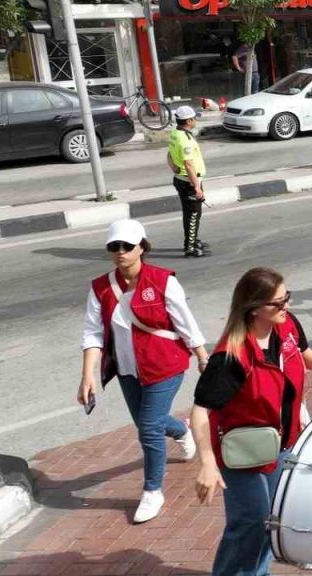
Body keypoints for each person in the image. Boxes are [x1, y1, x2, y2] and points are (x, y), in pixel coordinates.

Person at [191, 267, 312, 575]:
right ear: (254, 308)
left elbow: (303, 355)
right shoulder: (231, 357)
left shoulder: (286, 325)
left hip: (283, 443)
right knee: (251, 520)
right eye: (277, 302)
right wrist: (207, 462)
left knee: (272, 519)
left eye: (287, 297)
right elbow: (200, 412)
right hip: (240, 451)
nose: (286, 306)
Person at [79, 219, 206, 524]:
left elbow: (185, 322)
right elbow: (93, 334)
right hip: (126, 369)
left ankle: (152, 491)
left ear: (142, 248)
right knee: (148, 423)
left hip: (165, 364)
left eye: (127, 246)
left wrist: (202, 356)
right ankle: (182, 430)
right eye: (114, 247)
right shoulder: (100, 287)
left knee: (148, 428)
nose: (120, 252)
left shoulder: (163, 281)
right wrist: (88, 376)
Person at [167, 105, 208, 257]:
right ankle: (190, 247)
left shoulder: (175, 133)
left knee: (191, 213)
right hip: (189, 181)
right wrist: (197, 187)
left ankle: (192, 239)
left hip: (184, 179)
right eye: (194, 118)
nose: (195, 120)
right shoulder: (184, 140)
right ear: (189, 120)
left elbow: (169, 154)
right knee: (193, 214)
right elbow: (189, 164)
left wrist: (173, 168)